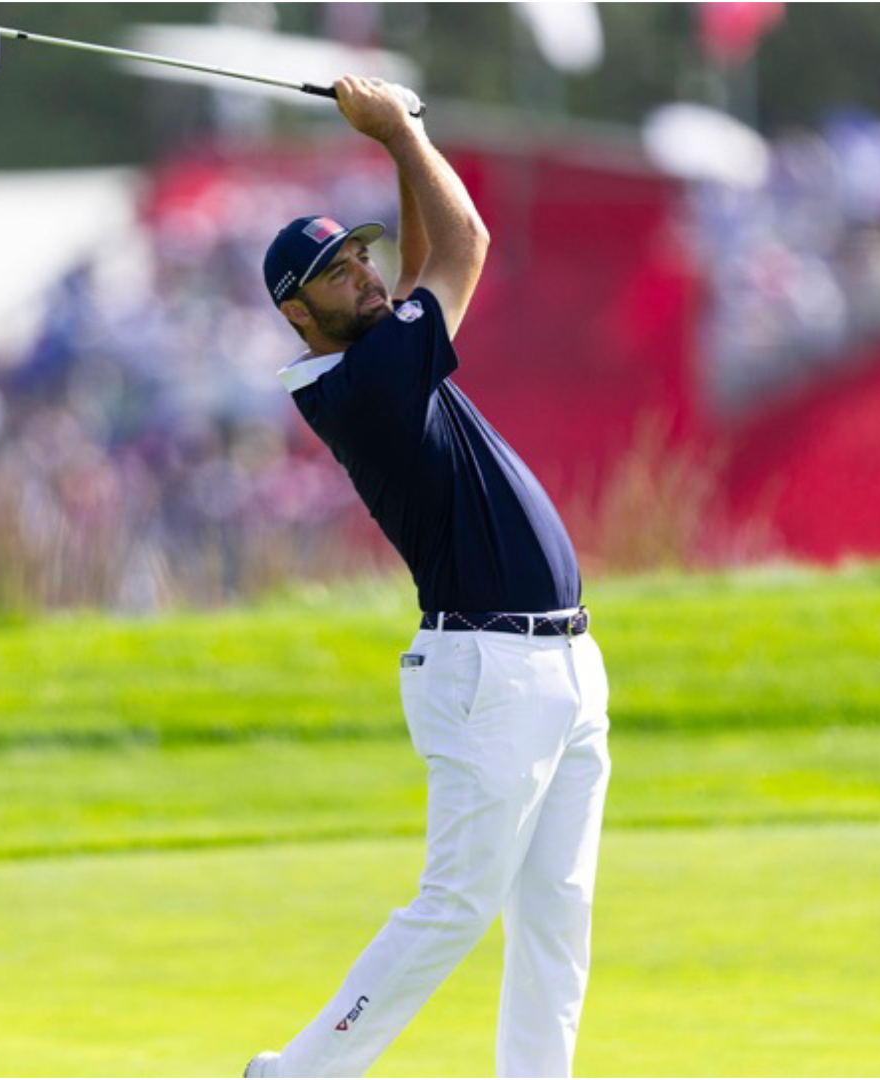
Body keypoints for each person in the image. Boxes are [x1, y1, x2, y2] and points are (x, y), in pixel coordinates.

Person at [245, 76, 612, 1080]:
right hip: (489, 669)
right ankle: (300, 1072)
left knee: (556, 914)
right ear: (296, 311)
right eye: (335, 272)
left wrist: (400, 145)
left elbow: (417, 276)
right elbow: (464, 248)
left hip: (562, 664)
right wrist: (400, 132)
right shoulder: (362, 386)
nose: (363, 277)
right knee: (455, 906)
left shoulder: (382, 354)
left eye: (358, 256)